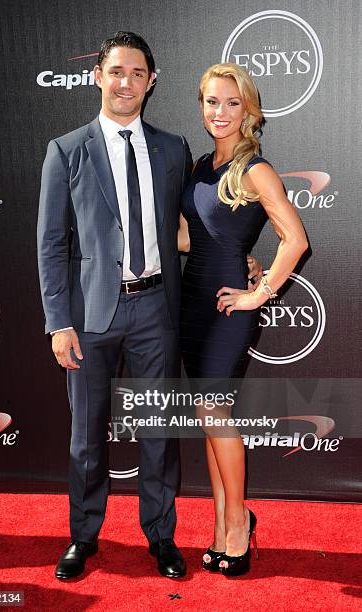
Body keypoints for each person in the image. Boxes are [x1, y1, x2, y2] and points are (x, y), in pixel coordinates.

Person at [37, 31, 193, 580]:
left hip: (156, 310)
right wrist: (58, 321)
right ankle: (84, 535)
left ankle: (161, 536)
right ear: (98, 76)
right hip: (89, 315)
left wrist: (239, 260)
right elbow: (52, 243)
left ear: (151, 82)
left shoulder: (173, 148)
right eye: (116, 71)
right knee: (86, 437)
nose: (126, 82)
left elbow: (190, 227)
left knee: (158, 432)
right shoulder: (66, 150)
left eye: (137, 73)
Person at [178, 63, 308, 577]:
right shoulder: (201, 167)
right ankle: (220, 523)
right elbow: (192, 239)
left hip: (231, 307)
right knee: (212, 421)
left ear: (249, 110)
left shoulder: (255, 169)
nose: (221, 112)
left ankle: (238, 522)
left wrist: (260, 293)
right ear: (202, 106)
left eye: (232, 103)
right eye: (212, 101)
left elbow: (295, 239)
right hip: (193, 302)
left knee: (213, 412)